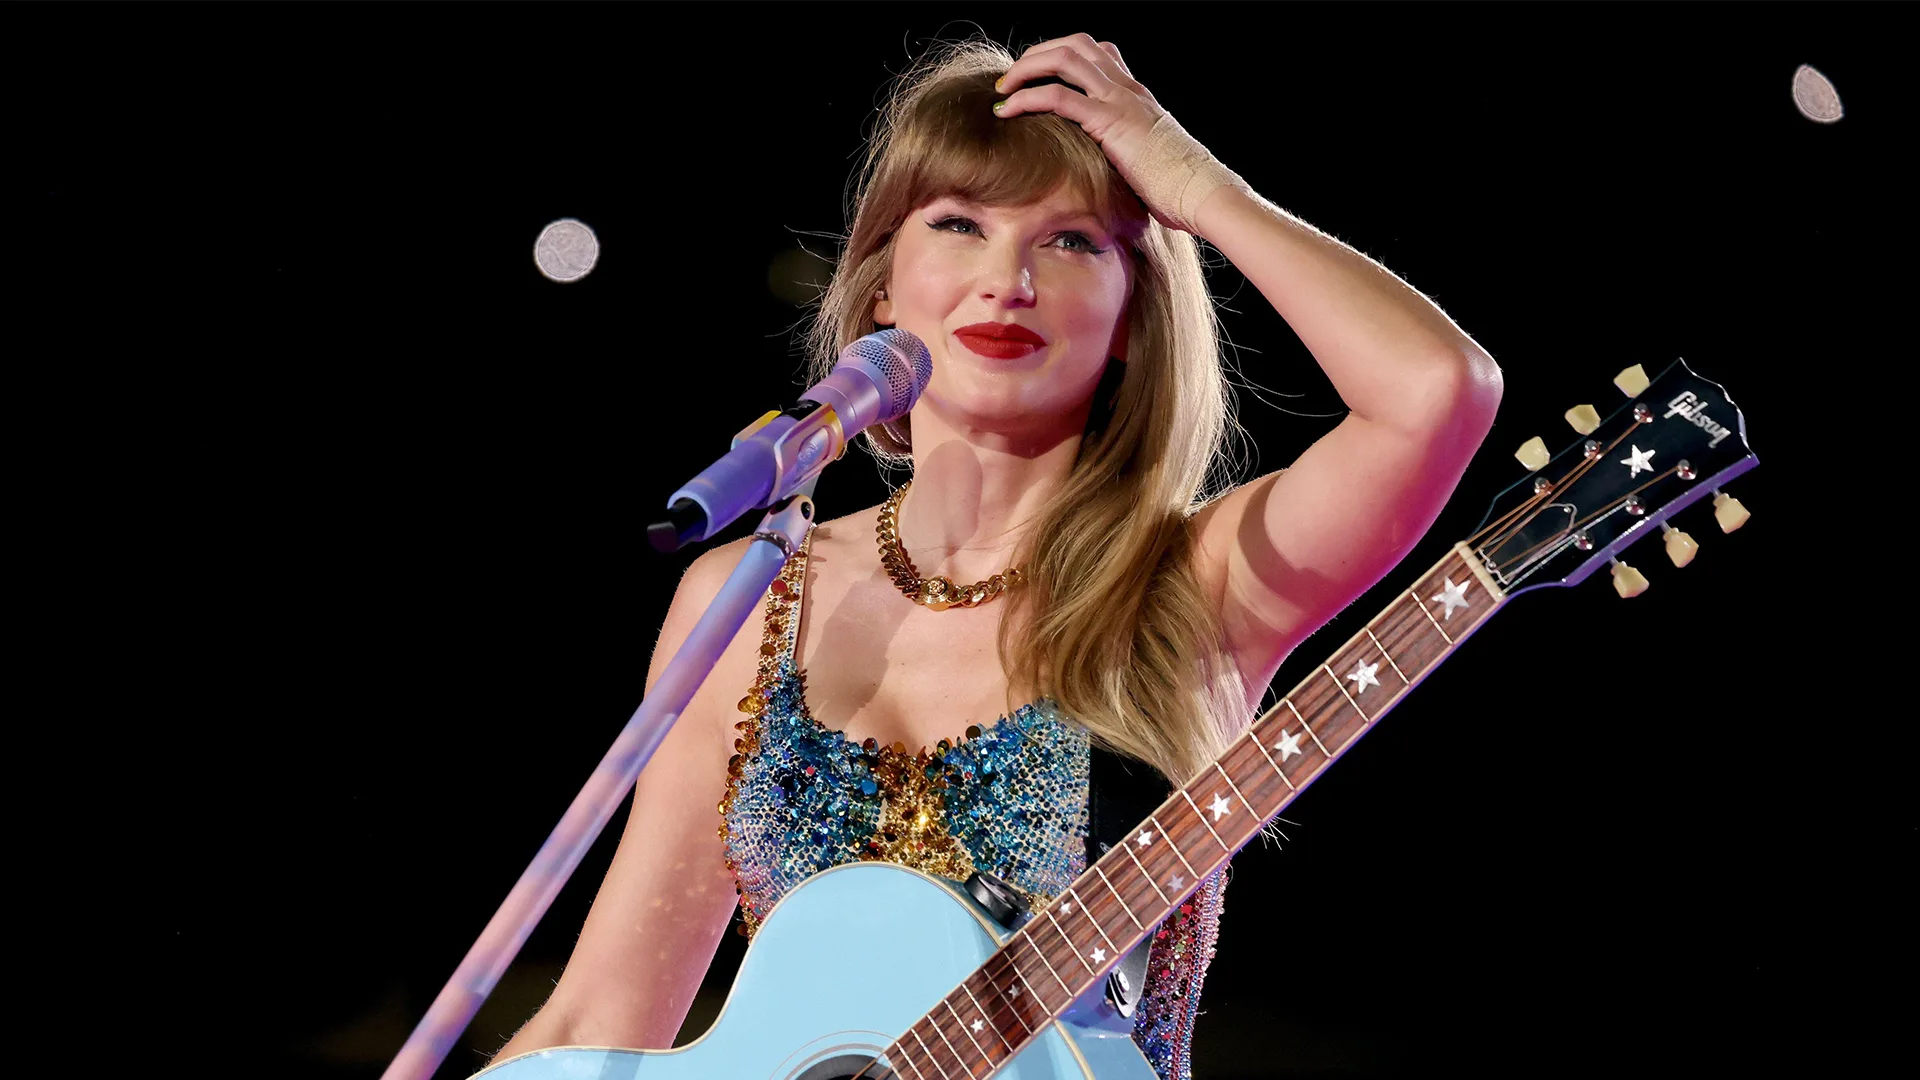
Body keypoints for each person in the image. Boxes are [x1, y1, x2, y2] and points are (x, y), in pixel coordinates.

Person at [493, 33, 1501, 1080]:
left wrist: (1193, 184)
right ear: (882, 286)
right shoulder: (753, 597)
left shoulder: (1201, 578)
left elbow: (1436, 393)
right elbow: (602, 1016)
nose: (1007, 281)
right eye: (960, 224)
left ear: (1131, 316)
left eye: (1071, 242)